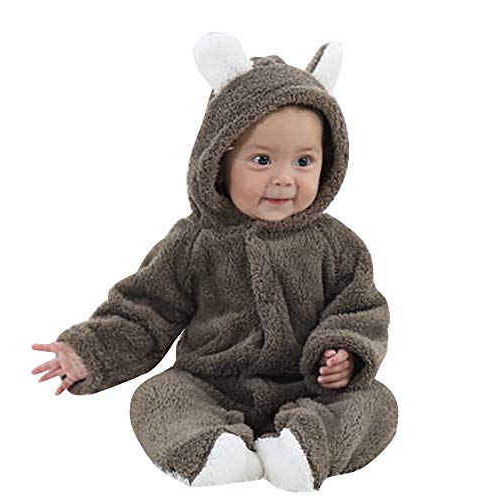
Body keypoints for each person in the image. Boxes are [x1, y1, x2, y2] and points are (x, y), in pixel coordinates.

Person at [31, 32, 398, 491]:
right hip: (211, 385)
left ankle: (304, 448)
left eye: (304, 161)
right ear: (218, 161)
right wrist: (92, 351)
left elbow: (361, 308)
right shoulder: (194, 242)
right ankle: (211, 450)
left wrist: (345, 353)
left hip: (309, 389)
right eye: (262, 159)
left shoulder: (338, 245)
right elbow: (147, 309)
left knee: (378, 405)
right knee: (156, 397)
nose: (284, 179)